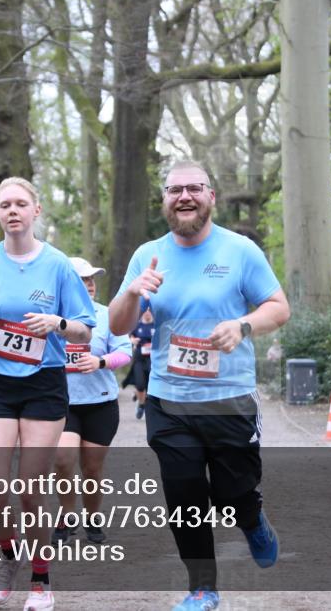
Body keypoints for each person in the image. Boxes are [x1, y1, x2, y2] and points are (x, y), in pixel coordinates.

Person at [109, 160, 291, 611]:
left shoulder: (240, 250)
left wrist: (243, 326)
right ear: (165, 201)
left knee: (234, 493)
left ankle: (251, 520)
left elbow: (278, 307)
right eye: (175, 190)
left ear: (211, 196)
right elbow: (116, 324)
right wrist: (132, 292)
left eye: (194, 188)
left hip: (229, 399)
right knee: (184, 492)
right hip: (170, 400)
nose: (184, 196)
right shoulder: (147, 255)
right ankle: (203, 588)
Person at [0, 177, 96, 611]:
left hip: (43, 383)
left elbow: (85, 330)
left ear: (36, 210)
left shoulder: (57, 265)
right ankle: (8, 556)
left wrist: (56, 324)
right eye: (4, 204)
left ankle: (40, 577)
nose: (12, 210)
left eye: (20, 203)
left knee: (31, 489)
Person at [51, 256, 132, 545]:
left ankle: (93, 517)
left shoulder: (107, 316)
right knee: (63, 459)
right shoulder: (52, 317)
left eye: (91, 279)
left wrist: (100, 361)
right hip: (62, 403)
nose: (89, 285)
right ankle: (66, 515)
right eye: (81, 280)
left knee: (92, 468)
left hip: (100, 403)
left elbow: (125, 353)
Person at [123, 305, 155, 419]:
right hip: (139, 359)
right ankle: (141, 404)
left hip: (152, 360)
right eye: (145, 311)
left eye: (149, 311)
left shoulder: (156, 326)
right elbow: (129, 337)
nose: (147, 313)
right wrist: (133, 340)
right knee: (140, 384)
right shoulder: (137, 325)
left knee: (148, 386)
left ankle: (143, 402)